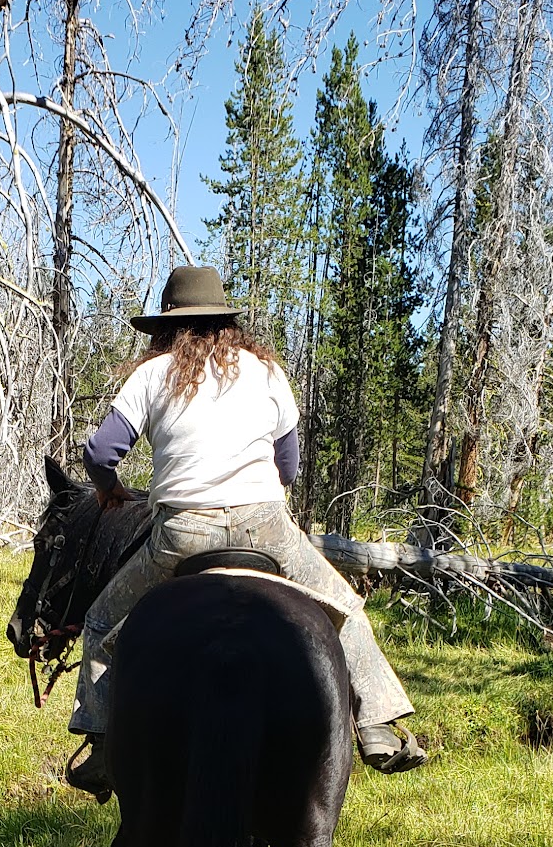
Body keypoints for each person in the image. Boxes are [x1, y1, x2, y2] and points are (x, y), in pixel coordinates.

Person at [66, 264, 427, 795]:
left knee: (101, 622)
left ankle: (100, 745)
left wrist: (110, 490)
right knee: (345, 607)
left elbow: (100, 453)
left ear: (166, 327)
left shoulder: (152, 374)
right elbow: (290, 467)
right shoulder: (265, 372)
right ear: (226, 321)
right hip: (266, 527)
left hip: (182, 533)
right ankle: (376, 724)